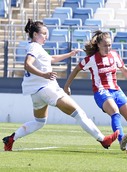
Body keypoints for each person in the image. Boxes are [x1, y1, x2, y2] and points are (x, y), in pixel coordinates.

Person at [2, 19, 119, 151]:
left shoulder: (37, 48)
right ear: (35, 34)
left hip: (37, 93)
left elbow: (51, 59)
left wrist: (69, 54)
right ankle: (103, 140)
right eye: (44, 33)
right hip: (47, 89)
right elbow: (27, 64)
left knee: (39, 122)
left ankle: (11, 139)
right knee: (79, 113)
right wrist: (44, 75)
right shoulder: (34, 47)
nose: (47, 36)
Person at [64, 30, 127, 151]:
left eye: (109, 45)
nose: (108, 48)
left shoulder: (114, 55)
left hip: (116, 90)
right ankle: (122, 141)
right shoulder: (91, 59)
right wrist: (66, 86)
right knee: (115, 111)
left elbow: (124, 70)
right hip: (101, 92)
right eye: (105, 45)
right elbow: (76, 69)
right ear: (98, 45)